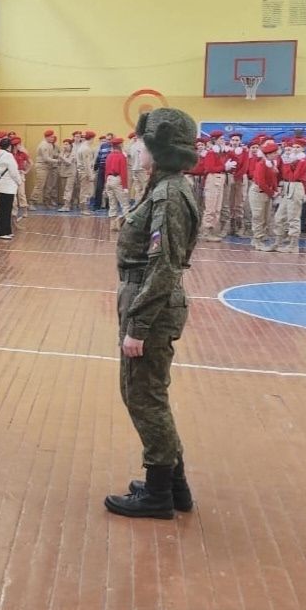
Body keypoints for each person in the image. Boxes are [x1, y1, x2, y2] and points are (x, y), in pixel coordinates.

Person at [104, 107, 200, 520]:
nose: (136, 149)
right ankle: (173, 486)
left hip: (151, 305)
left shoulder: (169, 194)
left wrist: (138, 326)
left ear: (160, 148)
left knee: (144, 397)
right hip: (146, 298)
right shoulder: (164, 186)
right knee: (147, 394)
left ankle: (160, 493)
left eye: (142, 143)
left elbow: (164, 266)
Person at [274, 137, 306, 253]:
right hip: (288, 186)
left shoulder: (303, 160)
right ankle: (278, 241)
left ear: (303, 149)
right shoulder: (292, 159)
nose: (295, 149)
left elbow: (294, 176)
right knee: (279, 216)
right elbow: (285, 175)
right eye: (294, 147)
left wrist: (288, 163)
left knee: (293, 217)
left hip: (296, 187)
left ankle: (293, 245)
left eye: (298, 147)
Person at [248, 141, 280, 251]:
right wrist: (272, 193)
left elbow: (273, 180)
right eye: (274, 153)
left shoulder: (271, 164)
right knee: (258, 217)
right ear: (268, 154)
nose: (276, 154)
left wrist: (275, 191)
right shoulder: (261, 164)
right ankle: (258, 240)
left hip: (266, 193)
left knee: (266, 218)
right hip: (258, 193)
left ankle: (258, 238)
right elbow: (261, 182)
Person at [0, 137, 22, 239]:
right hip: (7, 187)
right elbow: (14, 171)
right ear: (9, 146)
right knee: (5, 210)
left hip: (0, 185)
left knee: (3, 210)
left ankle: (6, 230)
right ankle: (2, 232)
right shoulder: (8, 156)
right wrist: (19, 182)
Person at [102, 136, 129, 228]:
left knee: (112, 203)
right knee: (124, 203)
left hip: (109, 180)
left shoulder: (109, 156)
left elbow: (106, 170)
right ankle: (127, 226)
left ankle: (113, 225)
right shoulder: (121, 156)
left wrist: (106, 183)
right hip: (117, 179)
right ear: (120, 145)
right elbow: (123, 172)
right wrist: (125, 187)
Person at [31, 129, 57, 206]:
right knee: (40, 185)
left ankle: (46, 202)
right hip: (42, 167)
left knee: (49, 186)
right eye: (51, 137)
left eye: (53, 137)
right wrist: (58, 161)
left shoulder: (50, 144)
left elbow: (51, 156)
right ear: (47, 137)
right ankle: (32, 202)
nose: (53, 138)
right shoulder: (43, 145)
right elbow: (46, 158)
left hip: (48, 167)